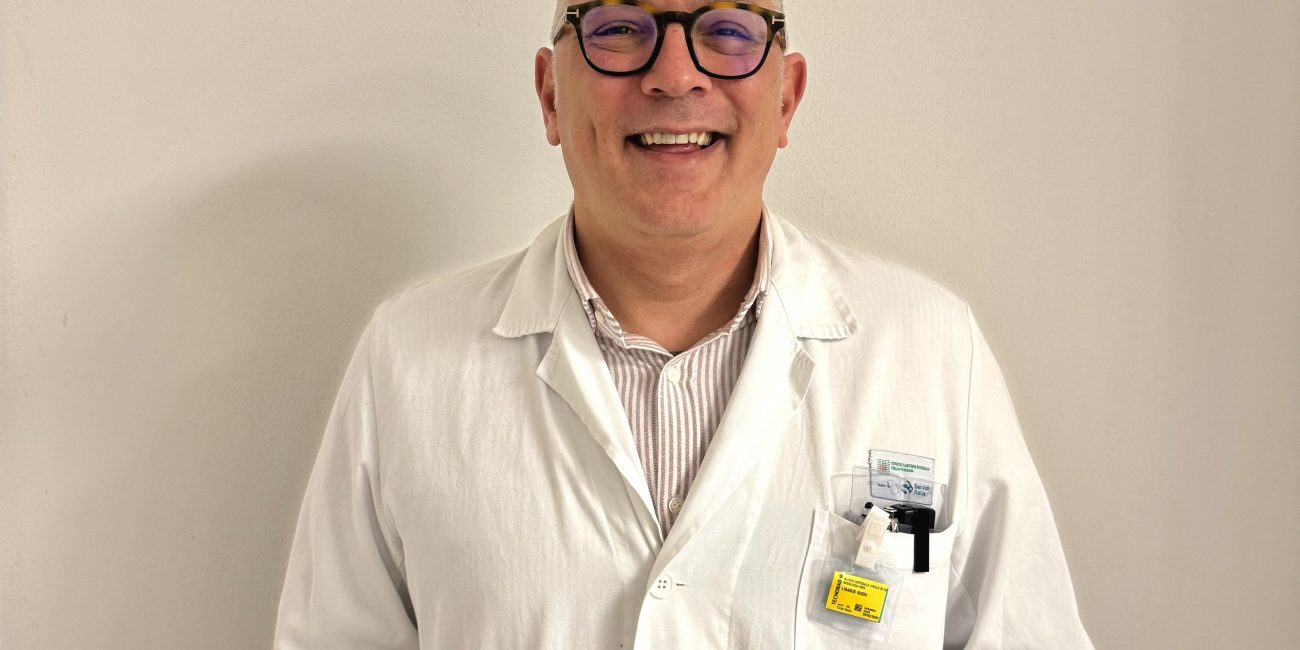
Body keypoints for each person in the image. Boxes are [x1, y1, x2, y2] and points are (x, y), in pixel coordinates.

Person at [274, 1, 1093, 647]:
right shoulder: (407, 361)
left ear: (786, 97)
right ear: (551, 95)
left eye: (728, 30)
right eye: (619, 28)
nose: (674, 75)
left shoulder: (930, 351)